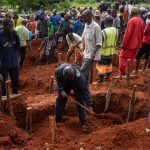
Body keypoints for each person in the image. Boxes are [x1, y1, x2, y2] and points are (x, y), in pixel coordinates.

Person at [55, 63, 93, 133]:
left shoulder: (80, 79)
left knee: (80, 101)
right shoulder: (59, 71)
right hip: (64, 83)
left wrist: (89, 104)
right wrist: (61, 89)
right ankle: (57, 119)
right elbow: (58, 80)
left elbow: (85, 91)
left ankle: (83, 123)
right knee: (61, 100)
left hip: (76, 84)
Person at [119, 7, 144, 77]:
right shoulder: (141, 20)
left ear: (132, 13)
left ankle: (123, 73)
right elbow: (142, 33)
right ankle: (129, 72)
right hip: (137, 44)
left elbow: (127, 35)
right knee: (131, 59)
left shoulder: (132, 20)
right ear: (138, 13)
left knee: (123, 57)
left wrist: (123, 45)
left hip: (129, 45)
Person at [81, 10, 102, 82]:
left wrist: (93, 54)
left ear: (90, 17)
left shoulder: (96, 27)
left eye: (84, 18)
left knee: (82, 71)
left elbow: (99, 43)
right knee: (85, 73)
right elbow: (83, 38)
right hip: (85, 53)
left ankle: (79, 87)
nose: (83, 19)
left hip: (91, 54)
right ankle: (85, 88)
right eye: (83, 17)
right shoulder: (86, 25)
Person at [0, 19, 20, 95]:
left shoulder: (14, 34)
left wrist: (17, 58)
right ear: (4, 26)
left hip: (14, 63)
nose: (11, 29)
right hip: (3, 64)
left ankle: (15, 96)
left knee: (15, 81)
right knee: (3, 82)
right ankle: (4, 99)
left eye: (12, 27)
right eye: (9, 27)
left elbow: (17, 47)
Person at [96, 16, 118, 82]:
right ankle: (107, 77)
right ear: (112, 22)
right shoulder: (116, 30)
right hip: (111, 53)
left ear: (105, 22)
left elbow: (99, 43)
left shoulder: (103, 32)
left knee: (101, 67)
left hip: (103, 53)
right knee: (108, 66)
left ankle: (100, 80)